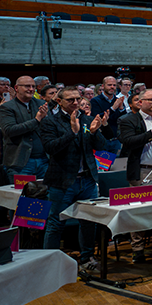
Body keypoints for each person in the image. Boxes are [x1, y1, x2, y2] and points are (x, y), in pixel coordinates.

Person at [41, 87, 109, 271]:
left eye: (77, 99)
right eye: (70, 99)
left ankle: (87, 258)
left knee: (88, 221)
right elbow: (50, 148)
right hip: (62, 181)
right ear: (60, 101)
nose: (75, 102)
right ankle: (50, 263)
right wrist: (72, 132)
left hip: (86, 180)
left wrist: (95, 131)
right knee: (56, 223)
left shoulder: (87, 119)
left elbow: (102, 146)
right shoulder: (50, 122)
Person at [117, 89, 152, 262]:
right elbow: (128, 142)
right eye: (151, 100)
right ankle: (138, 249)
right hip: (141, 171)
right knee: (138, 211)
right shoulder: (127, 120)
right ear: (140, 102)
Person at [0, 76, 50, 180]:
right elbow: (10, 130)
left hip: (44, 160)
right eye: (27, 86)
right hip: (20, 163)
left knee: (45, 195)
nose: (31, 89)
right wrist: (36, 120)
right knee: (22, 195)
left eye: (33, 86)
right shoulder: (7, 107)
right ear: (16, 88)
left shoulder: (41, 104)